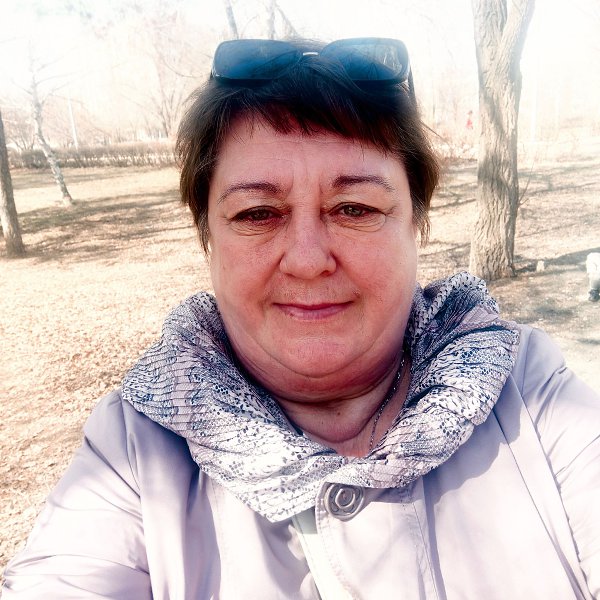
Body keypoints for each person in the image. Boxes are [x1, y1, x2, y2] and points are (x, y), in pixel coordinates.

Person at [3, 37, 599, 599]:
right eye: (258, 213)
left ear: (416, 224)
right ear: (209, 238)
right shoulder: (135, 451)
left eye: (354, 208)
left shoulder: (529, 394)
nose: (309, 260)